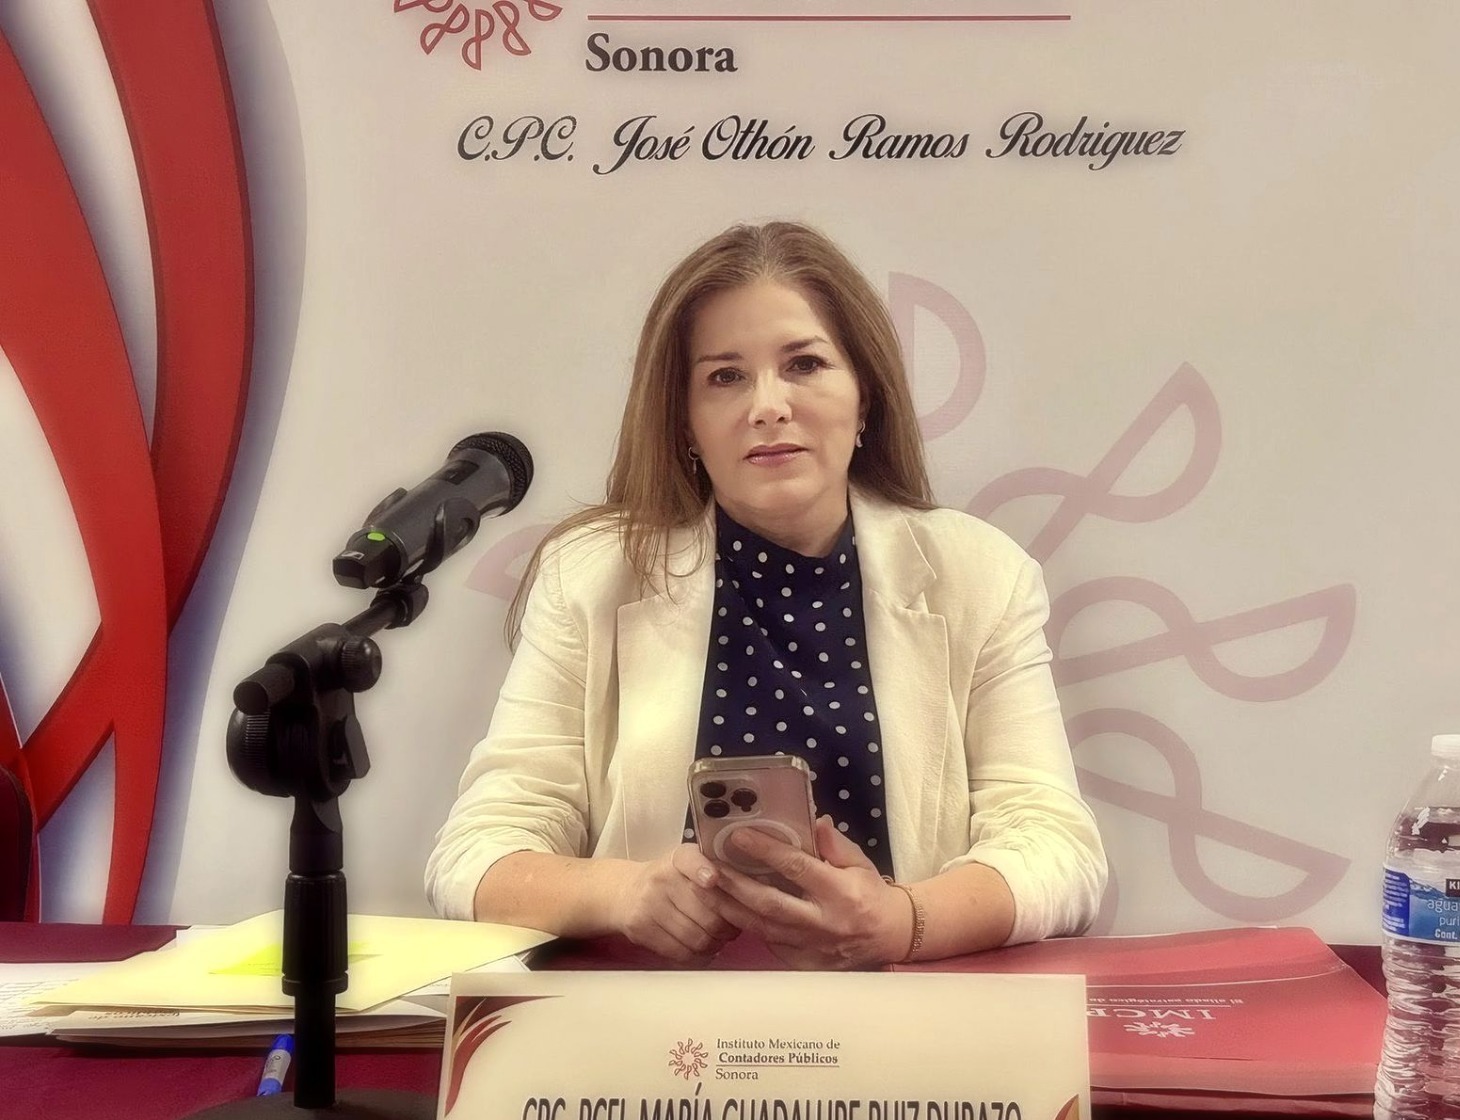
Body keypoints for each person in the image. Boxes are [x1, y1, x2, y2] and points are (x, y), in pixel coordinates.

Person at [425, 221, 1105, 968]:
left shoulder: (980, 574)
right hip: (650, 1022)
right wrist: (624, 892)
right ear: (685, 423)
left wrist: (901, 920)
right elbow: (474, 855)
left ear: (866, 398)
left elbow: (1058, 849)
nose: (768, 405)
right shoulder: (589, 574)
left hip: (900, 1017)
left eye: (804, 364)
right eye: (726, 377)